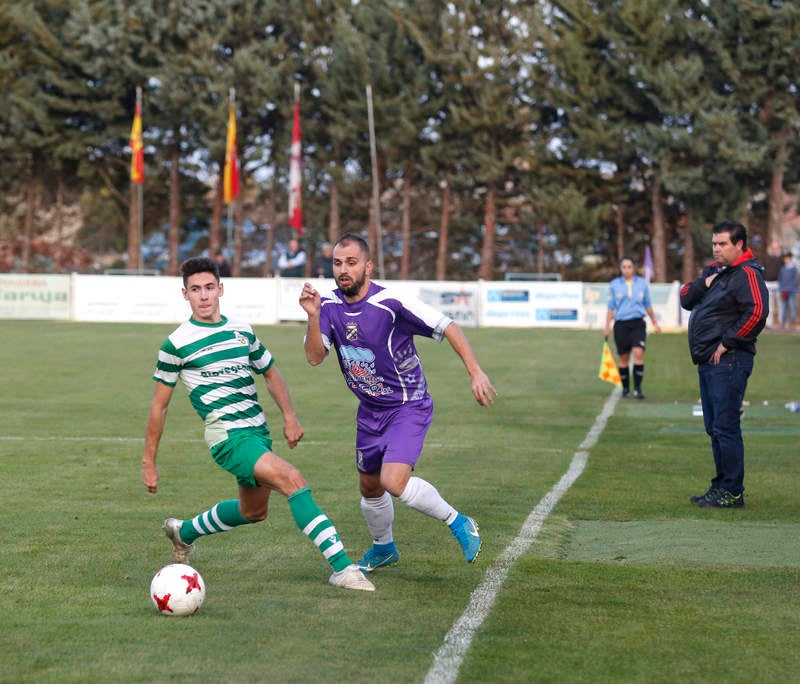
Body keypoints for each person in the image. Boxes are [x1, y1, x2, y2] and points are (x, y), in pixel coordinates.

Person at [141, 256, 374, 592]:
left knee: (253, 511)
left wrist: (290, 417)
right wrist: (149, 462)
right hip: (228, 438)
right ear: (185, 294)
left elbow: (270, 372)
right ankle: (342, 568)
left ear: (221, 289)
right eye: (195, 289)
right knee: (292, 479)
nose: (203, 296)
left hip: (257, 433)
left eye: (209, 287)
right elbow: (159, 407)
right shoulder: (176, 344)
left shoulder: (241, 330)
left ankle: (183, 532)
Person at [298, 233, 497, 574]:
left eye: (351, 263)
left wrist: (475, 372)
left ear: (368, 267)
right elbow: (315, 357)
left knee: (393, 480)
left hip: (408, 405)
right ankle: (383, 548)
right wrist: (313, 316)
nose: (343, 270)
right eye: (337, 263)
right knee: (370, 486)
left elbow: (448, 326)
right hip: (370, 410)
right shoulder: (327, 305)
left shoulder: (391, 303)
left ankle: (459, 521)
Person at [679, 220, 768, 508]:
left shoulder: (747, 274)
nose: (716, 249)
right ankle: (720, 486)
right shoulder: (715, 272)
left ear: (739, 245)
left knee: (726, 426)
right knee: (715, 427)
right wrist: (704, 283)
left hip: (730, 361)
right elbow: (685, 298)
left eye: (722, 244)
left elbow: (757, 312)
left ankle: (732, 491)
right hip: (708, 362)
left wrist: (727, 342)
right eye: (714, 244)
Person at [603, 256, 661, 398]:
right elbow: (611, 307)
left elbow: (648, 305)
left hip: (637, 323)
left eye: (629, 267)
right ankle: (625, 389)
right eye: (624, 267)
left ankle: (638, 389)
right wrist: (607, 326)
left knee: (638, 353)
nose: (627, 270)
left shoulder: (642, 284)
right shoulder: (614, 285)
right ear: (620, 269)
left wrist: (655, 322)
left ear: (633, 268)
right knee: (623, 358)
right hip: (621, 324)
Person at [777, 252, 798, 330]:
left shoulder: (794, 269)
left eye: (788, 259)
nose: (786, 260)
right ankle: (783, 323)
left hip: (791, 291)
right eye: (785, 259)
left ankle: (793, 323)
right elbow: (780, 279)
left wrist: (790, 288)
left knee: (792, 307)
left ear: (790, 259)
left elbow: (795, 280)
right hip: (783, 291)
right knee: (784, 307)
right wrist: (782, 288)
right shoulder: (782, 269)